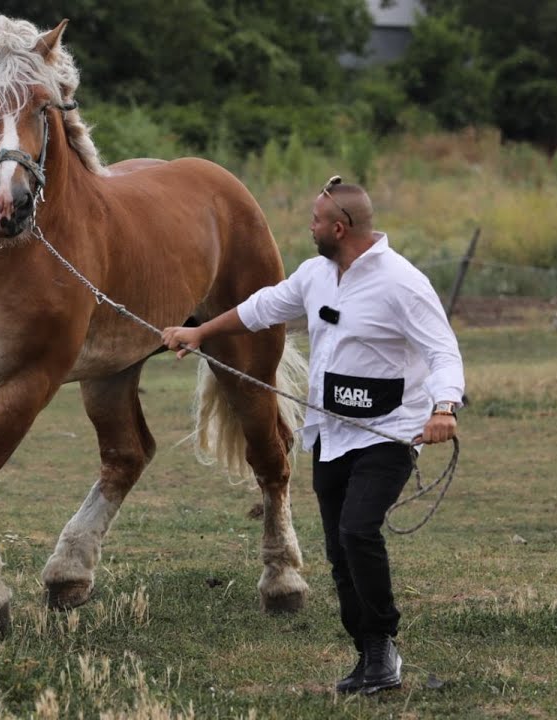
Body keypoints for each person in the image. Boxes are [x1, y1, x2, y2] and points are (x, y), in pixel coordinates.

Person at [161, 176, 465, 695]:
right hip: (329, 433)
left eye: (317, 220)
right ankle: (366, 652)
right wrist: (201, 332)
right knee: (337, 548)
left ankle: (383, 646)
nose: (310, 226)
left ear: (340, 228)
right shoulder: (315, 275)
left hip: (387, 433)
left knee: (358, 531)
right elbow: (262, 308)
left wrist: (444, 407)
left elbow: (442, 350)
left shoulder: (401, 281)